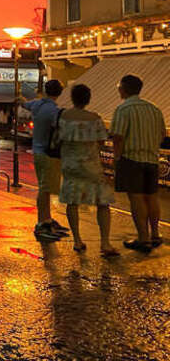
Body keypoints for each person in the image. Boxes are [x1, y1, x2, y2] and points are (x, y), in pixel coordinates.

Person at [58, 84, 118, 257]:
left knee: (72, 202)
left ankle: (77, 240)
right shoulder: (95, 118)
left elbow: (59, 138)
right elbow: (101, 140)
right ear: (88, 99)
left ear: (73, 98)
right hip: (91, 165)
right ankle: (105, 242)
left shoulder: (65, 116)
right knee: (102, 203)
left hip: (70, 164)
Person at [111, 74, 167, 252]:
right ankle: (155, 234)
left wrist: (117, 158)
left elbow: (118, 136)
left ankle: (143, 238)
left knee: (135, 198)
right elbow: (162, 134)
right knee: (151, 197)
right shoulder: (154, 109)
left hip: (131, 159)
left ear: (124, 89)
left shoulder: (123, 109)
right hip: (152, 159)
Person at [22, 79, 70, 241]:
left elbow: (25, 104)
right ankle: (42, 222)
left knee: (45, 187)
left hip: (37, 150)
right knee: (45, 188)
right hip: (49, 153)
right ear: (60, 93)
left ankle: (47, 219)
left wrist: (19, 99)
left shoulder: (37, 105)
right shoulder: (54, 111)